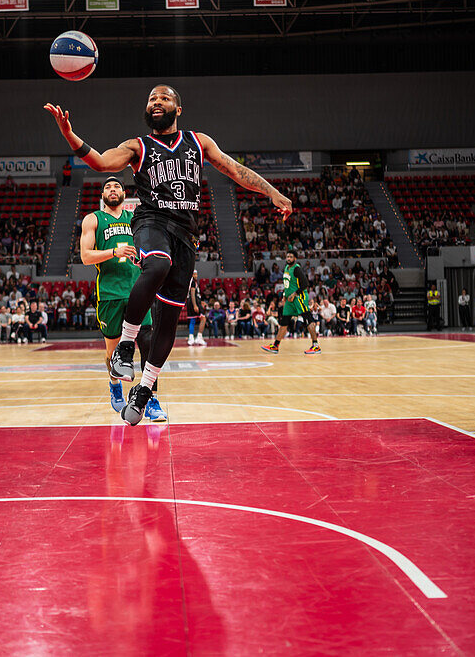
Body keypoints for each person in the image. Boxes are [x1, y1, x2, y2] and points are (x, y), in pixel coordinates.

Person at [45, 85, 292, 425]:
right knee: (157, 263)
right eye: (151, 98)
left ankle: (144, 391)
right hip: (152, 221)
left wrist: (273, 192)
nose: (156, 101)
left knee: (167, 322)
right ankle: (126, 346)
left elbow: (235, 170)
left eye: (164, 98)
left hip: (186, 233)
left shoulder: (199, 142)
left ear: (179, 107)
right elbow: (101, 162)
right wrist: (70, 134)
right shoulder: (138, 146)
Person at [78, 178, 164, 420]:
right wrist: (113, 252)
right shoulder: (93, 219)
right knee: (113, 352)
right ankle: (114, 384)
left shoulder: (135, 219)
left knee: (147, 343)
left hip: (139, 289)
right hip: (110, 293)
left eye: (117, 187)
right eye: (108, 187)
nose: (112, 190)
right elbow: (85, 256)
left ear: (124, 193)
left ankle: (150, 398)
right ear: (103, 194)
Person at [261, 251, 321, 355]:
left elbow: (305, 284)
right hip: (289, 299)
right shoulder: (286, 268)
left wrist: (294, 294)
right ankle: (275, 346)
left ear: (295, 258)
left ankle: (315, 346)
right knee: (284, 321)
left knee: (308, 319)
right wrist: (285, 295)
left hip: (299, 297)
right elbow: (287, 284)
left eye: (291, 257)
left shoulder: (297, 269)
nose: (288, 258)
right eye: (287, 256)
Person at [186, 272, 207, 346]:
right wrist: (195, 305)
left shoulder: (190, 281)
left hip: (190, 302)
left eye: (197, 274)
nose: (196, 275)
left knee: (192, 319)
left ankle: (191, 337)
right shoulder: (192, 282)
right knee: (203, 318)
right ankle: (199, 337)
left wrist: (200, 302)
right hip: (193, 302)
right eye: (194, 274)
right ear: (191, 275)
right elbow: (192, 294)